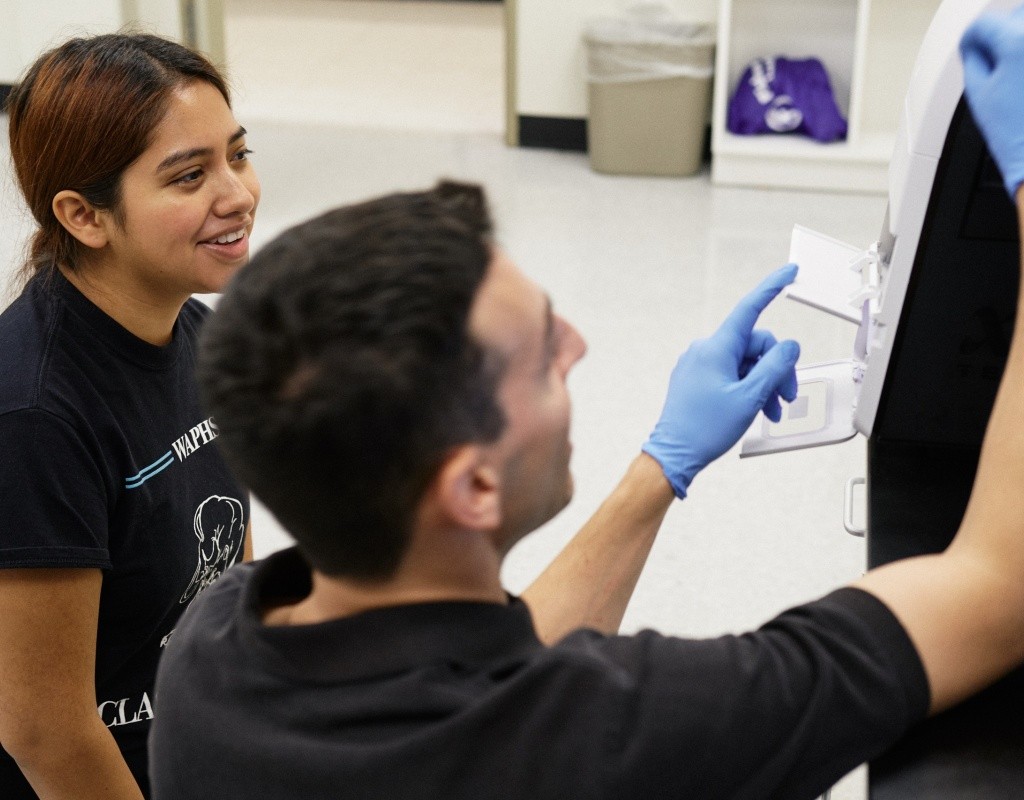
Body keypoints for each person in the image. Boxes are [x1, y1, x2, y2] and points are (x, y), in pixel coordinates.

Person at [151, 7, 1024, 799]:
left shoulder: (212, 647)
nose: (578, 346)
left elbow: (497, 671)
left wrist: (662, 466)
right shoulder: (630, 734)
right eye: (543, 354)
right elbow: (995, 588)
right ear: (474, 488)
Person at [0, 34, 258, 799]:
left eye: (238, 155)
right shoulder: (33, 418)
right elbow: (44, 729)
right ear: (84, 215)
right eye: (189, 176)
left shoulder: (201, 336)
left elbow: (232, 580)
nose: (237, 194)